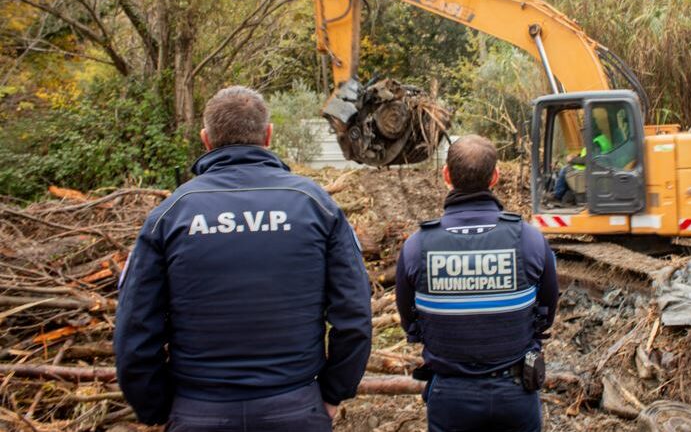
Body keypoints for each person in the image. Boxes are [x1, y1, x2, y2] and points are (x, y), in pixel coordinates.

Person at [114, 86, 372, 431]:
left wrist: (157, 409)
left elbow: (134, 329)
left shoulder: (170, 215)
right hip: (295, 408)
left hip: (198, 411)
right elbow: (354, 316)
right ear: (268, 135)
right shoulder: (315, 205)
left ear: (206, 140)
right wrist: (332, 394)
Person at [395, 135, 559, 432]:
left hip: (450, 395)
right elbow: (546, 313)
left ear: (446, 176)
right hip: (515, 391)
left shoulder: (417, 246)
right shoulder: (530, 239)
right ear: (495, 177)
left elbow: (410, 322)